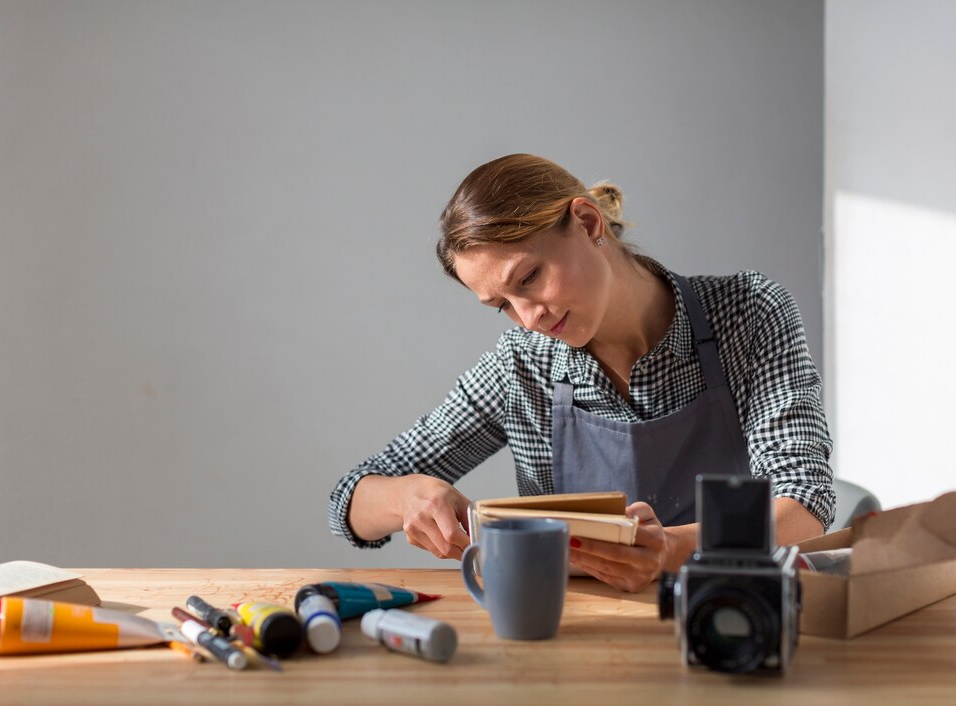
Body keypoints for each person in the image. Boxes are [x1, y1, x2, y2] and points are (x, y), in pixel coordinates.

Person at [329, 154, 834, 592]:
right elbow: (349, 501)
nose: (529, 318)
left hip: (735, 614)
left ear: (589, 223)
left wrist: (669, 550)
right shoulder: (523, 364)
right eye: (502, 304)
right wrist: (406, 497)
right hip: (586, 633)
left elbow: (804, 503)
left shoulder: (747, 314)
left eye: (529, 277)